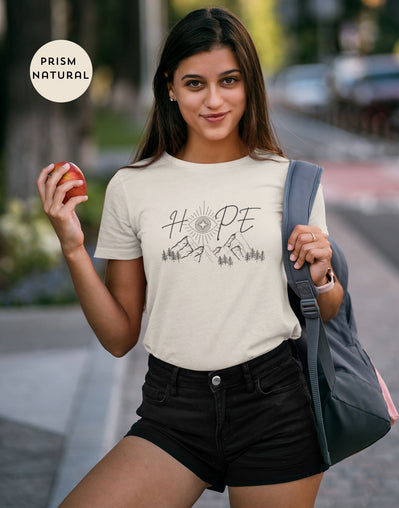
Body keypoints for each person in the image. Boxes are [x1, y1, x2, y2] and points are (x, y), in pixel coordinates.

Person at [37, 7, 343, 508]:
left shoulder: (292, 180)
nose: (215, 100)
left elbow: (325, 308)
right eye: (195, 83)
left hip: (276, 405)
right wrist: (73, 248)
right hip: (173, 408)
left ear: (250, 85)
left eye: (229, 80)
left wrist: (323, 276)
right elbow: (119, 338)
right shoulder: (132, 187)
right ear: (170, 87)